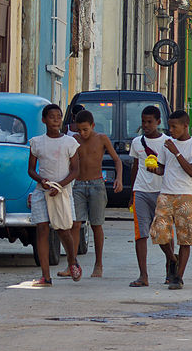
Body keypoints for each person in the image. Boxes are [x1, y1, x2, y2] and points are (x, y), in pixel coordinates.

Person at [27, 103, 81, 286]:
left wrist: (60, 186)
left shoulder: (69, 142)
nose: (56, 120)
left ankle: (72, 261)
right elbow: (31, 170)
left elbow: (75, 170)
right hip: (42, 192)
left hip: (62, 193)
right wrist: (42, 180)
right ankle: (46, 276)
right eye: (52, 117)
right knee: (42, 229)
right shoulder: (37, 142)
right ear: (44, 120)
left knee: (62, 230)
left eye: (58, 116)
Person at [151, 110, 192, 290]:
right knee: (159, 233)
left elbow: (191, 171)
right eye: (170, 127)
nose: (171, 130)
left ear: (185, 126)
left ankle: (178, 277)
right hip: (166, 193)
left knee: (185, 238)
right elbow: (163, 168)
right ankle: (172, 259)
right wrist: (154, 170)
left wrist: (176, 153)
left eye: (174, 127)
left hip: (185, 195)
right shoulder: (167, 145)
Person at [66, 109, 123, 278]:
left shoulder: (101, 139)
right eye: (79, 130)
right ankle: (72, 265)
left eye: (85, 129)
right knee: (75, 224)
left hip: (97, 185)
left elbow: (117, 160)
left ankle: (98, 265)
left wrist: (118, 178)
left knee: (96, 225)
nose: (82, 133)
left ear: (92, 126)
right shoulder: (73, 140)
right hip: (78, 185)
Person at [127, 105, 169, 287]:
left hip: (162, 192)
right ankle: (143, 275)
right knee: (140, 234)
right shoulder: (137, 142)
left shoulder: (168, 142)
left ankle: (171, 263)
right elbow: (135, 167)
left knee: (163, 234)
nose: (146, 125)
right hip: (141, 191)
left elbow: (172, 169)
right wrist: (131, 193)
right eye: (143, 122)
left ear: (158, 122)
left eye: (150, 122)